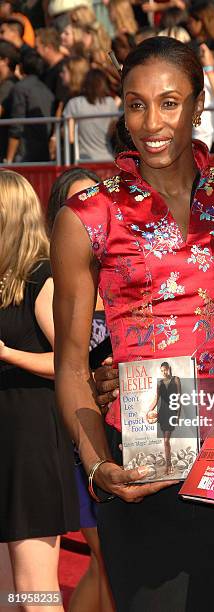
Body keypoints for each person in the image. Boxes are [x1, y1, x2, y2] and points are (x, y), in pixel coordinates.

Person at [51, 36, 214, 611]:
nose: (151, 121)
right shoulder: (87, 215)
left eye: (169, 102)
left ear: (198, 107)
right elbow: (68, 365)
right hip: (144, 470)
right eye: (135, 103)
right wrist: (98, 467)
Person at [0, 170, 79, 610]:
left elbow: (69, 362)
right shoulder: (4, 280)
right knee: (8, 594)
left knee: (35, 591)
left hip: (30, 447)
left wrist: (8, 354)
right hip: (7, 446)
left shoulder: (41, 277)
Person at [46, 167, 114, 612]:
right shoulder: (58, 285)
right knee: (105, 561)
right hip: (84, 440)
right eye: (78, 201)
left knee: (105, 565)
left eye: (95, 197)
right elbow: (63, 365)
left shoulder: (119, 276)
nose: (89, 209)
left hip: (130, 433)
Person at [62, 68, 118, 161]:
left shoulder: (74, 103)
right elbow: (112, 131)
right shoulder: (110, 103)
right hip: (107, 158)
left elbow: (70, 136)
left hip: (83, 159)